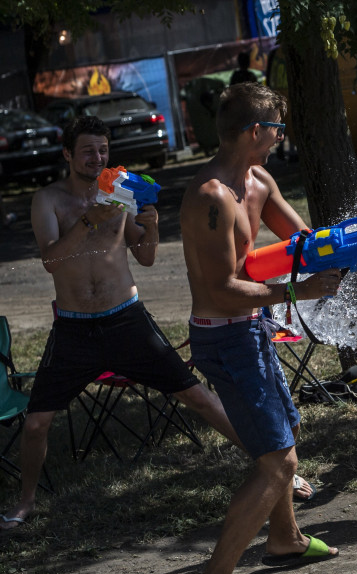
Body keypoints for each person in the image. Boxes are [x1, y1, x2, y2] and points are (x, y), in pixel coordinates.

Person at [176, 82, 357, 574]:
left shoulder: (258, 180)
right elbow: (222, 289)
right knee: (279, 463)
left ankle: (285, 538)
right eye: (276, 129)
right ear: (255, 131)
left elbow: (306, 243)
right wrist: (295, 292)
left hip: (251, 330)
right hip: (224, 336)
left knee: (283, 437)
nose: (280, 138)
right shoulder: (211, 197)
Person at [0, 116, 256, 531]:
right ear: (68, 154)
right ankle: (25, 501)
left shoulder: (122, 192)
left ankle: (270, 466)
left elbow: (146, 255)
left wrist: (150, 229)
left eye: (102, 150)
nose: (97, 157)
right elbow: (51, 260)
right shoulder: (48, 200)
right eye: (87, 150)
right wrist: (88, 221)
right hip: (74, 327)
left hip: (126, 319)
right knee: (36, 422)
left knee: (198, 398)